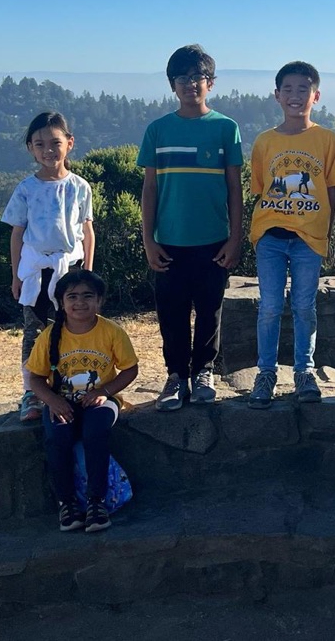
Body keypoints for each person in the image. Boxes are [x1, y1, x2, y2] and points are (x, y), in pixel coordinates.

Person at [139, 44, 244, 411]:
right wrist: (148, 240)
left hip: (213, 240)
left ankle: (203, 372)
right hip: (168, 241)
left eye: (197, 78)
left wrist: (235, 238)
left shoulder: (225, 129)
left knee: (209, 310)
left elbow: (235, 189)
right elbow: (149, 190)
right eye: (182, 78)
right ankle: (175, 377)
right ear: (172, 84)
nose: (190, 85)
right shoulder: (158, 130)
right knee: (171, 312)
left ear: (210, 83)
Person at [247, 61, 335, 408]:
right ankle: (266, 373)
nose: (295, 96)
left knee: (305, 306)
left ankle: (305, 371)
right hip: (270, 237)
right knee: (271, 307)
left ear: (316, 96)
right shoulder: (265, 141)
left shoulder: (327, 140)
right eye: (287, 89)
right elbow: (261, 189)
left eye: (303, 89)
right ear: (276, 95)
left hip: (310, 238)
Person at [25, 270, 138, 533]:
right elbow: (36, 378)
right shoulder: (50, 336)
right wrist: (52, 401)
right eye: (72, 296)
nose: (80, 302)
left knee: (95, 430)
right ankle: (67, 504)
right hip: (60, 401)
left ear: (99, 301)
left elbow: (130, 369)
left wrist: (105, 392)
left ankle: (96, 502)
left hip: (100, 399)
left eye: (88, 296)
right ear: (61, 302)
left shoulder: (111, 331)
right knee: (58, 436)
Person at [1, 111, 95, 423]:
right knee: (35, 331)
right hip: (36, 272)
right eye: (39, 144)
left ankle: (73, 385)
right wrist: (16, 275)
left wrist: (87, 275)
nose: (48, 150)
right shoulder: (26, 189)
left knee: (74, 329)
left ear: (70, 144)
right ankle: (33, 392)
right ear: (30, 148)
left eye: (55, 143)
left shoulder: (80, 187)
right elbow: (17, 233)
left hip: (70, 268)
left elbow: (87, 230)